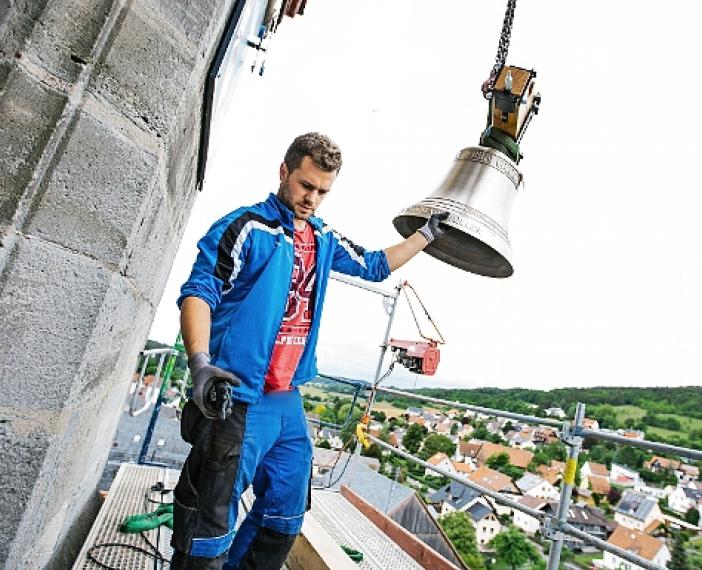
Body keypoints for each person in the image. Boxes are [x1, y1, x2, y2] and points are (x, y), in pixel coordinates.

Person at [171, 132, 448, 569]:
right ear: (284, 172)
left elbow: (374, 265)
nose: (312, 199)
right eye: (306, 186)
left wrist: (426, 237)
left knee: (285, 512)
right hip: (237, 396)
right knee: (210, 522)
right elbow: (200, 291)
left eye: (322, 191)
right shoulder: (245, 228)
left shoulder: (322, 238)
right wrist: (200, 363)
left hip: (286, 401)